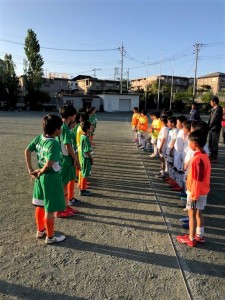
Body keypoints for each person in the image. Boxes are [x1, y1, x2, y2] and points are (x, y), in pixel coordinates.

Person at [24, 115, 66, 244]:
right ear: (57, 130)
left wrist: (31, 170)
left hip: (40, 177)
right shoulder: (54, 143)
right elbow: (49, 163)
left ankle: (40, 230)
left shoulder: (39, 138)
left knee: (40, 205)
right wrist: (41, 171)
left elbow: (27, 150)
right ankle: (51, 237)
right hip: (50, 177)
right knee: (50, 208)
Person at [176, 130, 211, 247]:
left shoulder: (198, 159)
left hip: (196, 192)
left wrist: (194, 195)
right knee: (199, 213)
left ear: (194, 144)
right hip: (202, 191)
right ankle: (200, 236)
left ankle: (191, 238)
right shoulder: (203, 155)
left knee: (191, 215)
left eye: (189, 142)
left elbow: (197, 179)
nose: (188, 144)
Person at [57, 105, 79, 218]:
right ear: (70, 116)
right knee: (62, 184)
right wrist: (75, 157)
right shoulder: (64, 127)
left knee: (65, 184)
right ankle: (60, 209)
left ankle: (65, 206)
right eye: (75, 115)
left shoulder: (61, 125)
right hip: (64, 159)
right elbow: (67, 145)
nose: (76, 117)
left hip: (64, 158)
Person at [79, 121, 94, 196]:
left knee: (83, 173)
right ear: (88, 129)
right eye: (91, 127)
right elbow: (87, 151)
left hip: (83, 158)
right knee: (85, 174)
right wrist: (91, 158)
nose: (92, 128)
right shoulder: (86, 138)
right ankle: (82, 190)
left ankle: (82, 187)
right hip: (86, 159)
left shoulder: (83, 136)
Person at [208, 96, 223, 163]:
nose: (210, 103)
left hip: (215, 128)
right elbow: (210, 118)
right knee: (210, 142)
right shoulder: (212, 109)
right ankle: (211, 155)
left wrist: (210, 126)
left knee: (214, 143)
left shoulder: (219, 108)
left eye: (211, 102)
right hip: (211, 128)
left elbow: (215, 119)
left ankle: (215, 157)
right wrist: (208, 126)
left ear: (214, 102)